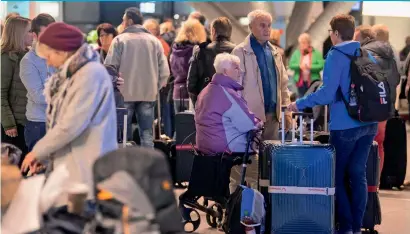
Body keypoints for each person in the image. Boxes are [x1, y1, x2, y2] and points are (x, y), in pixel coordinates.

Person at [288, 14, 378, 234]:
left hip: (345, 125)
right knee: (358, 174)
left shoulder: (335, 55)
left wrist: (299, 103)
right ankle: (357, 227)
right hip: (368, 123)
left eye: (330, 32)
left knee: (336, 176)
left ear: (336, 33)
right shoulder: (367, 53)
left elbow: (327, 93)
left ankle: (346, 227)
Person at [20, 22, 118, 206]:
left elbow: (70, 125)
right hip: (74, 168)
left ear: (62, 52)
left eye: (49, 55)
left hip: (85, 171)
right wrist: (48, 158)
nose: (47, 61)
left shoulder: (90, 74)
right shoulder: (74, 74)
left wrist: (37, 152)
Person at [195, 53, 262, 191]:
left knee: (234, 178)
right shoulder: (227, 94)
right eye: (236, 68)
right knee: (260, 173)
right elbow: (249, 124)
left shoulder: (205, 91)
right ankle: (255, 208)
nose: (240, 71)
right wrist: (259, 123)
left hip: (206, 148)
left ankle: (232, 201)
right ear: (225, 72)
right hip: (228, 149)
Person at [105, 7, 170, 148]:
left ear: (129, 21)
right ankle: (148, 169)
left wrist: (115, 86)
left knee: (123, 136)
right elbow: (165, 72)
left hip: (124, 95)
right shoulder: (155, 42)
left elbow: (109, 69)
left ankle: (125, 167)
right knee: (147, 135)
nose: (122, 23)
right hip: (148, 94)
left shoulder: (119, 41)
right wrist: (154, 86)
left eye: (123, 20)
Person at [232, 10, 292, 141]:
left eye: (269, 25)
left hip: (273, 116)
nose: (267, 29)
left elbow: (283, 85)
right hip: (250, 116)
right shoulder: (239, 51)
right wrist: (240, 114)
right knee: (251, 159)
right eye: (262, 25)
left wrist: (287, 111)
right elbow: (234, 87)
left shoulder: (275, 52)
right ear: (250, 27)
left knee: (270, 157)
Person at [353, 25, 401, 176]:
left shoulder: (365, 52)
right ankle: (376, 183)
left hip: (368, 104)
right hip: (386, 104)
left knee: (363, 143)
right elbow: (396, 78)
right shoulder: (391, 53)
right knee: (379, 143)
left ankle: (366, 182)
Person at [19, 13, 56, 154]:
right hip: (39, 125)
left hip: (59, 122)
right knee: (39, 173)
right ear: (34, 35)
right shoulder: (28, 61)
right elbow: (39, 97)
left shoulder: (60, 54)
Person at [1, 16, 33, 164]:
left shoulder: (27, 55)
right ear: (19, 34)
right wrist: (9, 124)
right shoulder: (6, 59)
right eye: (29, 31)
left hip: (27, 121)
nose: (33, 34)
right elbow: (1, 94)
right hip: (14, 125)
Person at [187, 16, 236, 106]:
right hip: (231, 104)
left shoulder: (201, 51)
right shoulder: (237, 51)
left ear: (213, 31)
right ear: (230, 32)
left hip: (206, 104)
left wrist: (198, 104)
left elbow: (191, 84)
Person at [170, 18, 206, 113]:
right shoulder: (198, 50)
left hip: (178, 93)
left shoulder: (174, 49)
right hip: (194, 94)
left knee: (181, 125)